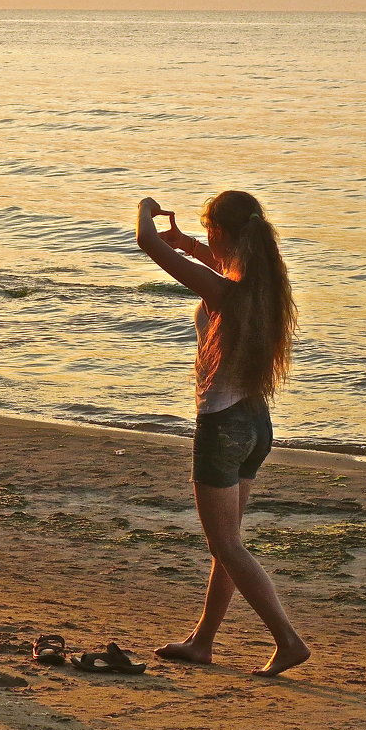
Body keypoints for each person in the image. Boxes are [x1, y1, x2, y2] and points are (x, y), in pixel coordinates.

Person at [135, 191, 309, 677]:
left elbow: (145, 241)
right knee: (227, 542)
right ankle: (202, 641)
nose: (205, 237)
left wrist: (148, 209)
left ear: (225, 232)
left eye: (208, 228)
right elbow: (217, 260)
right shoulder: (260, 282)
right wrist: (187, 241)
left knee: (227, 546)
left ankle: (288, 640)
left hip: (223, 427)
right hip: (255, 422)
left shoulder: (225, 292)